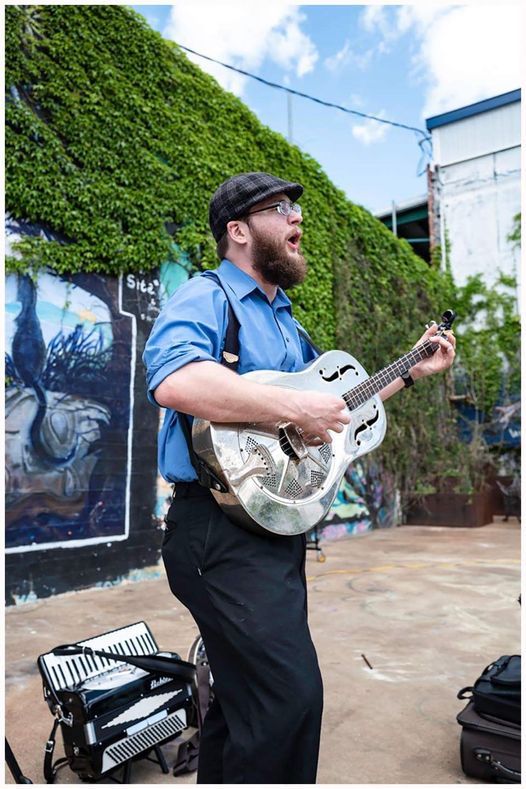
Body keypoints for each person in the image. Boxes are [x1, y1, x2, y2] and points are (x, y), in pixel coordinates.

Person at [143, 172, 455, 783]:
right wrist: (294, 409)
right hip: (216, 533)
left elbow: (338, 408)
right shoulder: (210, 297)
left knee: (242, 704)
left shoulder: (288, 323)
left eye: (296, 208)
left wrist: (413, 367)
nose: (297, 219)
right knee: (290, 697)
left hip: (272, 533)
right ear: (238, 231)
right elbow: (174, 381)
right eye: (279, 209)